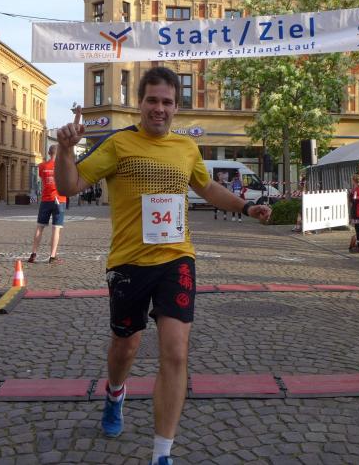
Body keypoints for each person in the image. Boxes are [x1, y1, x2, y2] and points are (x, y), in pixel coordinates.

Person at [54, 67, 271, 465]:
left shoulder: (186, 148)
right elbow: (69, 186)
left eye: (167, 102)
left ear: (176, 107)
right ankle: (115, 393)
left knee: (176, 351)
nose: (159, 108)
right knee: (126, 345)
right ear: (139, 104)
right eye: (152, 100)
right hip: (129, 263)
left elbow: (208, 188)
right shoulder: (119, 144)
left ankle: (161, 454)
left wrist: (245, 206)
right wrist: (64, 151)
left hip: (176, 258)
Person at [29, 145, 66, 264]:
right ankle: (52, 256)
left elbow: (42, 177)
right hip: (59, 200)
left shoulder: (42, 166)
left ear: (49, 153)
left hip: (46, 199)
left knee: (40, 227)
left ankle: (33, 254)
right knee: (56, 229)